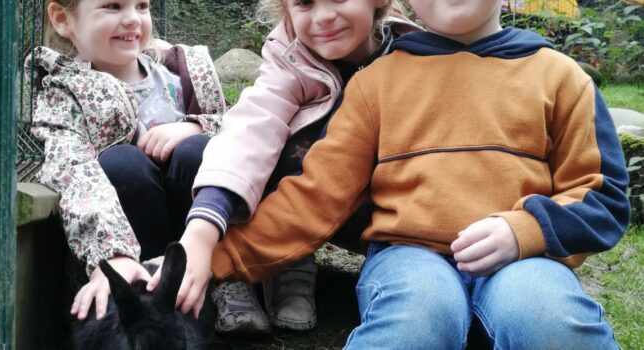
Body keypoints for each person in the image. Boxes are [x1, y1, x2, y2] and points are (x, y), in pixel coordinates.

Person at [204, 0, 630, 348]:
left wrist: (529, 230)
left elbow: (602, 198)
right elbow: (315, 197)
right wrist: (209, 260)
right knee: (417, 316)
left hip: (528, 263)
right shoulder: (376, 83)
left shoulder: (561, 77)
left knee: (551, 319)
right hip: (408, 258)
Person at [144, 0, 420, 334]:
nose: (324, 17)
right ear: (286, 11)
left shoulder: (416, 53)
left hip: (381, 211)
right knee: (269, 138)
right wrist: (202, 231)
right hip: (298, 203)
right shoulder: (290, 56)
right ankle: (284, 265)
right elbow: (252, 129)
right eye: (304, 3)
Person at [25, 0, 225, 322]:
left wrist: (195, 125)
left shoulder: (183, 76)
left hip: (197, 234)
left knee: (198, 149)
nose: (132, 19)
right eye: (113, 6)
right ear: (63, 19)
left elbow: (236, 132)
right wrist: (112, 255)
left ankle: (223, 282)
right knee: (122, 162)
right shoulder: (64, 95)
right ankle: (145, 293)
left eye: (141, 6)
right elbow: (73, 170)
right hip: (128, 236)